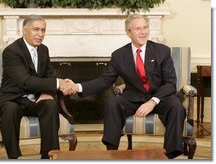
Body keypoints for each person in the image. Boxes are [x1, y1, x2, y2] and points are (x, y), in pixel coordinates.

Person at [64, 14, 186, 159]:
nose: (143, 32)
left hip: (160, 97)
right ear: (128, 33)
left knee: (177, 107)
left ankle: (171, 155)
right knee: (113, 103)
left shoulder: (162, 51)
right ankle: (112, 151)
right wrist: (77, 87)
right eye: (138, 29)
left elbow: (170, 83)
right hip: (133, 97)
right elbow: (104, 80)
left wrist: (152, 102)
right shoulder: (119, 55)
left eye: (145, 27)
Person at [0, 15, 74, 159]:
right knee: (11, 109)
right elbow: (25, 81)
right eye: (36, 29)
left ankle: (48, 155)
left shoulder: (44, 50)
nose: (40, 34)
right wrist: (58, 83)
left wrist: (47, 92)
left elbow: (48, 74)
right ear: (24, 31)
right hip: (12, 98)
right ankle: (14, 157)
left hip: (34, 99)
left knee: (50, 105)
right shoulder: (12, 51)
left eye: (43, 30)